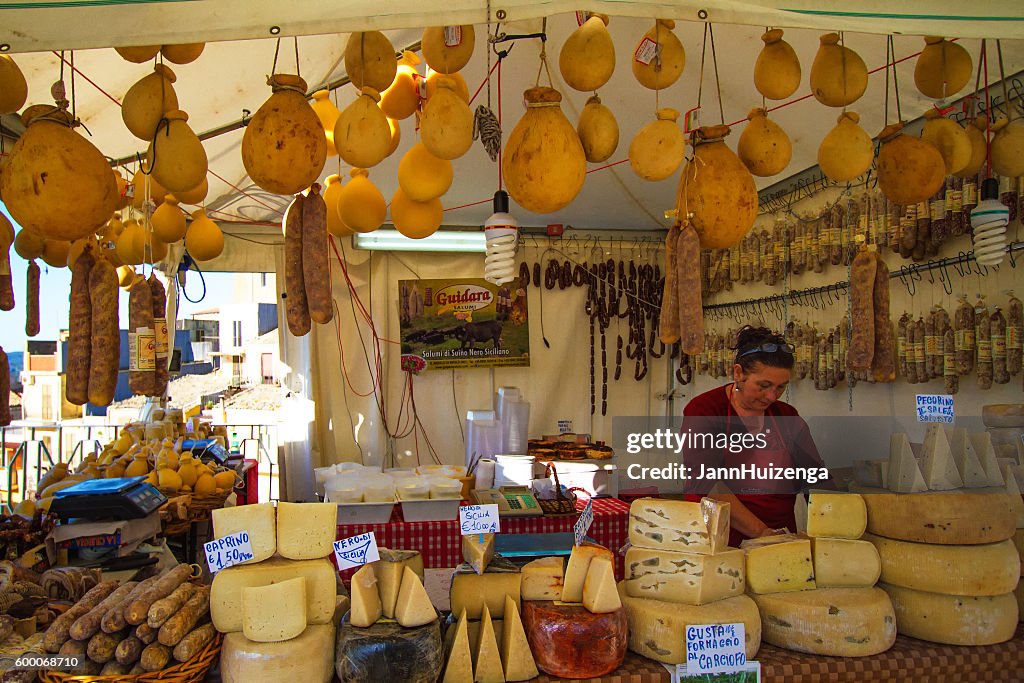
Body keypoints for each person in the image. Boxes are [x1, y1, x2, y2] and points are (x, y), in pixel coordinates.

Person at [682, 326, 832, 546]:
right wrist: (762, 533)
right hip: (719, 542)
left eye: (781, 387)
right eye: (764, 386)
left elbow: (814, 478)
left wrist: (833, 522)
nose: (772, 396)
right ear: (738, 373)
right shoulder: (705, 410)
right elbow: (708, 484)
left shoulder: (786, 415)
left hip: (779, 539)